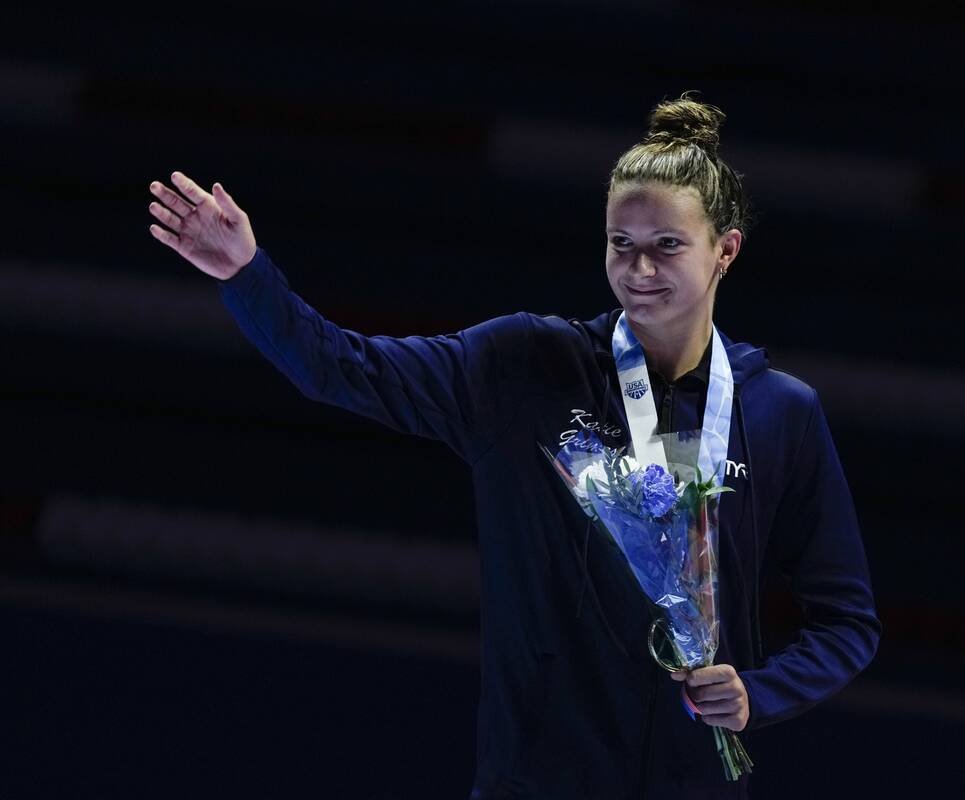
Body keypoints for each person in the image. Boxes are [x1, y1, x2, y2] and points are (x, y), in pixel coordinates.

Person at [147, 94, 881, 799]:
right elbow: (345, 367)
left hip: (698, 788)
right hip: (537, 782)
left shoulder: (781, 411)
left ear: (725, 251)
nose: (639, 270)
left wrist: (759, 693)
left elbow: (847, 623)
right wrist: (247, 275)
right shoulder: (523, 367)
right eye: (620, 244)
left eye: (667, 246)